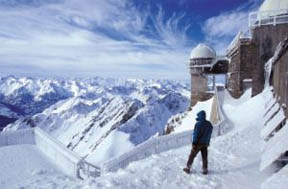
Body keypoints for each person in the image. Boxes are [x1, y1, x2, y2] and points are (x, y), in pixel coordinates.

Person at [183, 110, 213, 175]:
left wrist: (194, 143)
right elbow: (209, 133)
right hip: (205, 143)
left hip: (198, 143)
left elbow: (196, 134)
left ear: (200, 116)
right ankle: (205, 169)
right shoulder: (209, 124)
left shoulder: (198, 124)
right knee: (204, 156)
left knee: (192, 155)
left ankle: (188, 168)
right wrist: (207, 141)